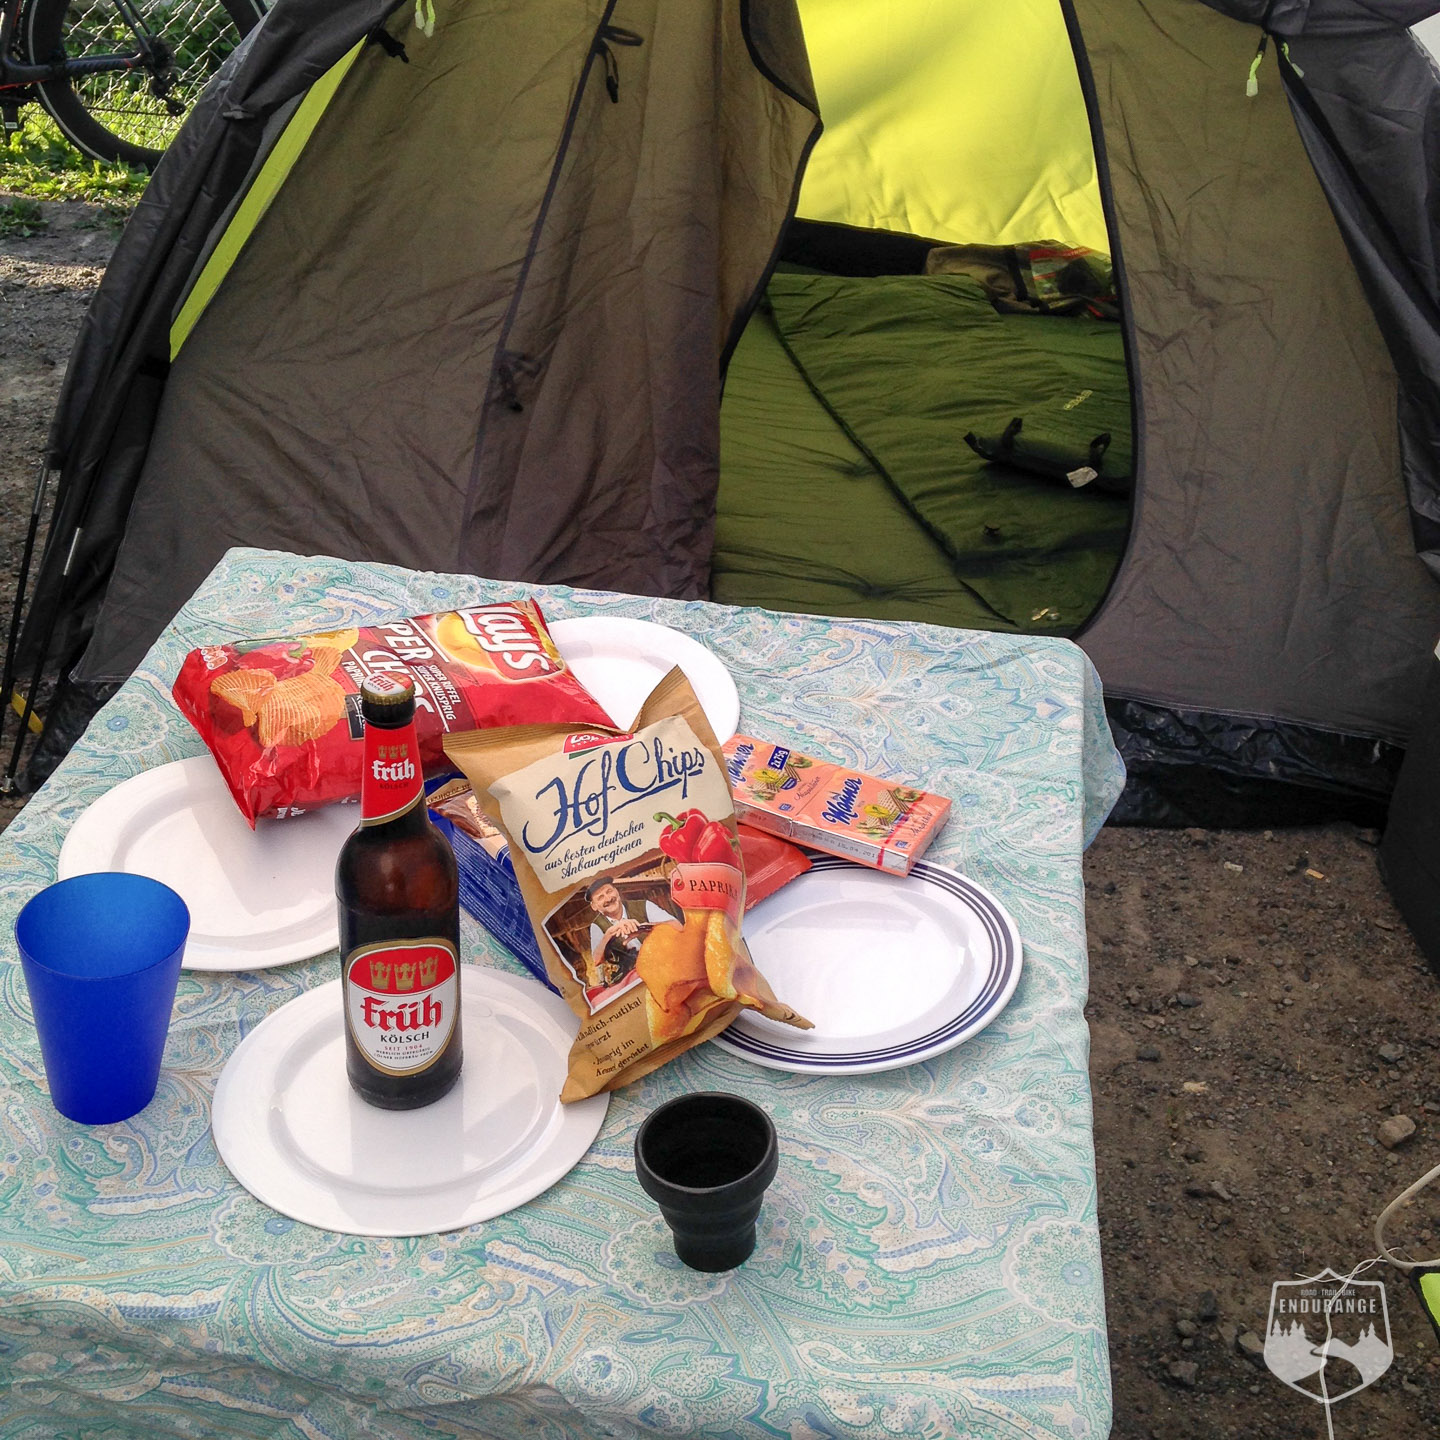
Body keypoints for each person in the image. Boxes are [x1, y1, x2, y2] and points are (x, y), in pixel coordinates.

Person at [586, 877, 679, 988]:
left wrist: (645, 927)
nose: (608, 898)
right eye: (600, 897)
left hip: (663, 964)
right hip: (630, 980)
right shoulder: (597, 925)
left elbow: (678, 926)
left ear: (617, 891)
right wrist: (608, 935)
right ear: (594, 906)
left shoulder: (643, 905)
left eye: (609, 891)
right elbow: (597, 960)